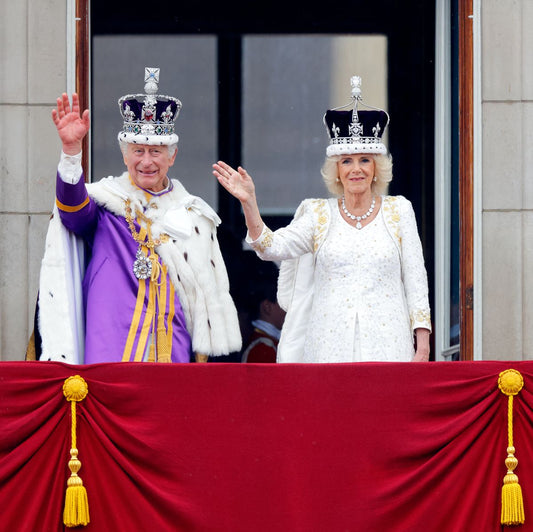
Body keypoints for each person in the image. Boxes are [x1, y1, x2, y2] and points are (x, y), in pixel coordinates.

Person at [213, 75, 431, 363]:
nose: (356, 169)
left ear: (377, 167)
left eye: (364, 160)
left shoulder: (399, 211)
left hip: (389, 346)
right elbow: (271, 248)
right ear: (336, 170)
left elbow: (416, 282)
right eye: (347, 161)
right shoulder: (317, 214)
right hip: (329, 348)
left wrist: (423, 347)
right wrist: (249, 203)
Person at [36, 67, 241, 364]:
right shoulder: (108, 204)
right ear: (124, 154)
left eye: (156, 151)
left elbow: (205, 298)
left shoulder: (193, 214)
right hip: (111, 349)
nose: (146, 161)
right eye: (138, 150)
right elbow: (73, 212)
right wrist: (71, 152)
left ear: (172, 156)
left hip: (173, 348)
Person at [241, 260, 286, 363]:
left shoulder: (268, 344)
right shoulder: (262, 350)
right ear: (267, 307)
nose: (288, 309)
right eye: (284, 303)